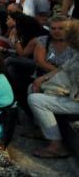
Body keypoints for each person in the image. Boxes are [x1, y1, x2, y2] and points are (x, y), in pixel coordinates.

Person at [26, 20, 79, 158]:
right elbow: (63, 68)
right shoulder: (77, 54)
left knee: (36, 100)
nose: (58, 32)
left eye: (62, 29)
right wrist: (42, 80)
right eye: (53, 28)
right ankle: (43, 130)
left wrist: (60, 89)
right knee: (33, 87)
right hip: (72, 93)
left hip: (76, 100)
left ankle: (56, 146)